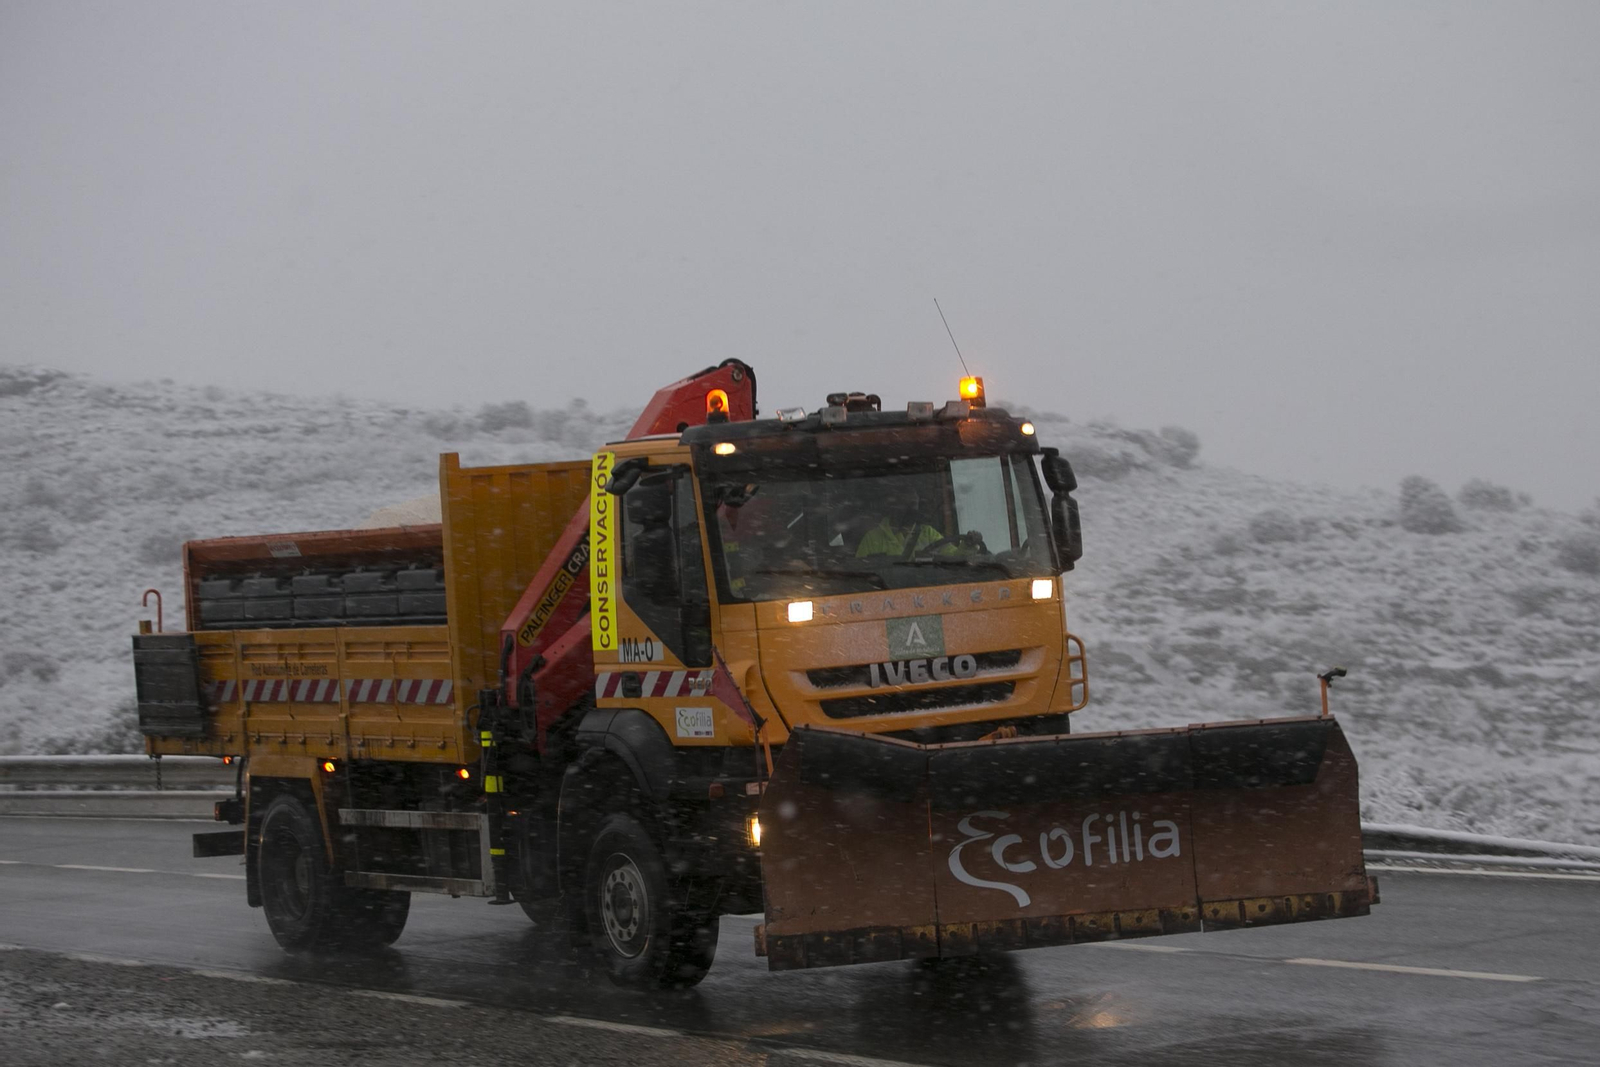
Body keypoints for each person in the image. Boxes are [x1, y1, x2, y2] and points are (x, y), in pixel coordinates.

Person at [855, 483, 950, 558]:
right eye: (904, 504)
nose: (910, 510)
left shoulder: (928, 533)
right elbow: (861, 570)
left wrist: (964, 546)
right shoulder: (872, 539)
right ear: (893, 508)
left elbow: (954, 557)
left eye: (913, 504)